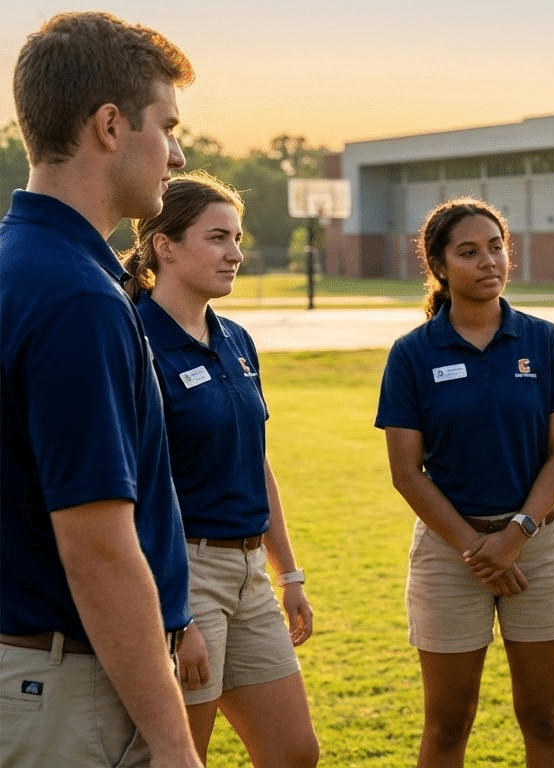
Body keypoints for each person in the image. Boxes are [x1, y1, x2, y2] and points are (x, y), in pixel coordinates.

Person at [0, 11, 202, 767]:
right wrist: (175, 746)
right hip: (67, 691)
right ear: (111, 125)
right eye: (168, 126)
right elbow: (97, 549)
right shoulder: (74, 296)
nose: (177, 154)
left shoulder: (20, 260)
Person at [375, 197, 554, 767]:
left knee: (544, 718)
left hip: (537, 548)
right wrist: (477, 549)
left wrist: (515, 535)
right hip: (451, 555)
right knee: (447, 725)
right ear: (440, 267)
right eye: (468, 252)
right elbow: (405, 473)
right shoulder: (412, 355)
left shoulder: (544, 341)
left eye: (496, 247)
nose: (488, 261)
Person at [121, 172, 320, 766]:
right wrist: (176, 615)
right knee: (184, 755)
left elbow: (254, 460)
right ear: (165, 245)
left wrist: (288, 575)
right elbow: (130, 494)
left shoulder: (235, 337)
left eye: (237, 237)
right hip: (183, 570)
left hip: (250, 570)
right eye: (217, 238)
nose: (235, 253)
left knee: (294, 753)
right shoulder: (135, 340)